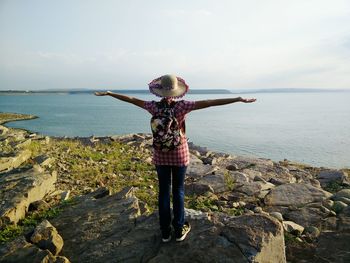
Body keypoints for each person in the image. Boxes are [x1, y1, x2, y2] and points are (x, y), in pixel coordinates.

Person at [94, 74, 256, 243]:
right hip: (180, 154)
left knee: (164, 191)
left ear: (159, 90)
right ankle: (178, 230)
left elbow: (131, 99)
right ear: (176, 91)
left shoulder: (153, 107)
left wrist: (110, 93)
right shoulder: (182, 107)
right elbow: (209, 102)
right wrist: (237, 99)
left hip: (160, 155)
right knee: (178, 191)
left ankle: (165, 232)